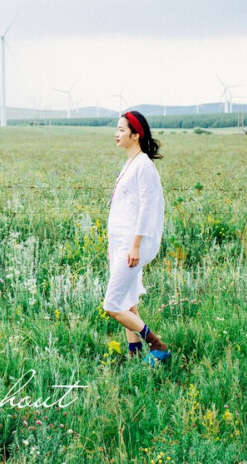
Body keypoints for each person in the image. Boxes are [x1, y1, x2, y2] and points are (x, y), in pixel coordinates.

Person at [103, 110, 170, 363]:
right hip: (121, 245)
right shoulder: (129, 163)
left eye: (121, 129)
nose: (116, 133)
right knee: (128, 301)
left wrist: (135, 246)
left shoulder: (144, 166)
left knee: (112, 305)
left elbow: (146, 208)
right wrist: (115, 245)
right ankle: (135, 355)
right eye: (117, 128)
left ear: (136, 134)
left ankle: (158, 346)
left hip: (132, 247)